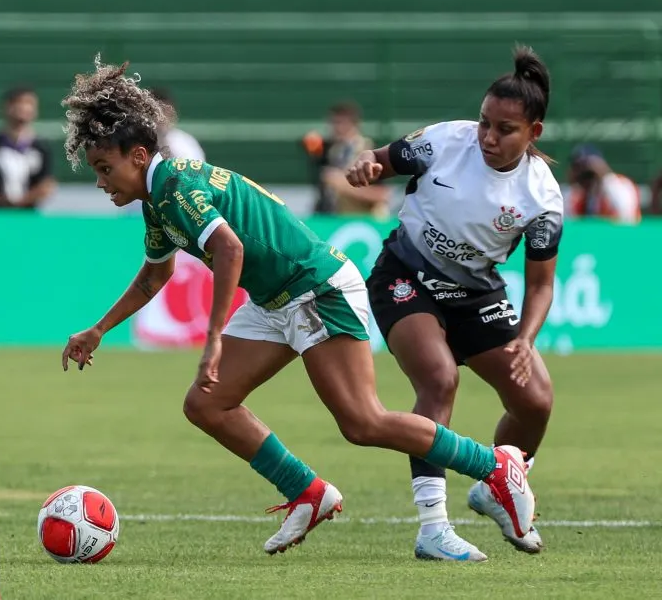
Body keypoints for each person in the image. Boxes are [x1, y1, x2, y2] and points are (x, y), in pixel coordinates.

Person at [58, 55, 536, 556]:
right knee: (206, 404)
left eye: (103, 168)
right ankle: (308, 494)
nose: (100, 180)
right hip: (277, 298)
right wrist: (99, 329)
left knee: (363, 422)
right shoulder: (158, 200)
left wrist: (215, 339)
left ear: (137, 156)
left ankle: (494, 466)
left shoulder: (176, 185)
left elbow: (230, 248)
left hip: (317, 288)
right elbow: (156, 274)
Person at [345, 46, 563, 562]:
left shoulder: (542, 196)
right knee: (439, 380)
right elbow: (381, 158)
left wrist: (526, 341)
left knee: (535, 400)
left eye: (504, 129)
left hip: (476, 292)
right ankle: (432, 528)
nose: (487, 136)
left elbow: (540, 286)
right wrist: (366, 164)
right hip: (405, 274)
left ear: (534, 133)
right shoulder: (446, 140)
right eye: (485, 122)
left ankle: (496, 484)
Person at [0, 85, 56, 209]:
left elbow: (47, 184)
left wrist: (24, 200)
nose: (23, 108)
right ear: (5, 107)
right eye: (17, 103)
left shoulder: (41, 147)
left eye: (29, 103)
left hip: (29, 217)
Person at [302, 101, 387, 217]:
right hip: (334, 220)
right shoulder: (332, 151)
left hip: (361, 222)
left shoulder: (370, 152)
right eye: (333, 123)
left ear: (354, 125)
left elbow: (381, 195)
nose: (337, 129)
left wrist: (343, 185)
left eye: (341, 123)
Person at [566, 144, 641, 224]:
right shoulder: (580, 197)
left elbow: (626, 215)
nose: (583, 174)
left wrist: (604, 175)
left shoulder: (621, 184)